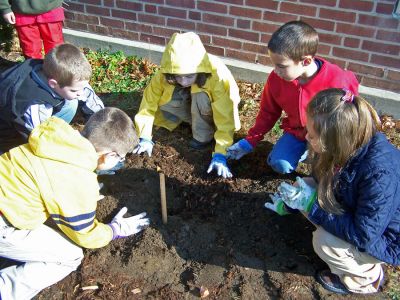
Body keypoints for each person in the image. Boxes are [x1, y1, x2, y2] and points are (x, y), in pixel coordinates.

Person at [0, 107, 150, 300]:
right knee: (70, 256)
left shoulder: (54, 140)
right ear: (109, 156)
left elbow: (48, 178)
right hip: (4, 221)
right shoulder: (77, 179)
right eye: (120, 158)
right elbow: (84, 234)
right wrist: (114, 230)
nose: (120, 161)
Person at [266, 88, 399, 295]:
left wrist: (312, 207)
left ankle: (365, 279)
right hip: (357, 211)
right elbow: (319, 180)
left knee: (325, 242)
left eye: (313, 134)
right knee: (306, 186)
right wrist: (293, 204)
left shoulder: (379, 175)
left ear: (335, 140)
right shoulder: (343, 146)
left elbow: (364, 236)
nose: (307, 136)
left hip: (384, 238)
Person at [226, 20, 359, 174]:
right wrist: (250, 140)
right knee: (279, 164)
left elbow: (350, 119)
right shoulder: (277, 79)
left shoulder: (337, 81)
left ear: (306, 61)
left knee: (324, 173)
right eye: (274, 64)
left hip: (327, 137)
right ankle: (304, 152)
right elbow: (268, 112)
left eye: (281, 66)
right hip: (298, 133)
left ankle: (320, 158)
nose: (275, 70)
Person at [133, 32, 241, 178]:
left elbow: (225, 118)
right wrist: (144, 135)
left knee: (200, 96)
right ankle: (192, 118)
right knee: (166, 96)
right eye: (178, 76)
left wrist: (221, 153)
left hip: (215, 108)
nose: (183, 82)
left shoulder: (215, 76)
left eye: (189, 76)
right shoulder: (165, 74)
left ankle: (203, 135)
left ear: (200, 71)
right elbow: (149, 103)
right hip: (195, 103)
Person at [0, 43, 104, 154]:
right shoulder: (35, 104)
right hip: (11, 137)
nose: (81, 93)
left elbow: (85, 93)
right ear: (53, 84)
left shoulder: (63, 77)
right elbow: (37, 139)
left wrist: (103, 124)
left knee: (71, 101)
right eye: (74, 90)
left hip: (41, 113)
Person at [0, 0, 64, 59]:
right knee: (31, 53)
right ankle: (34, 70)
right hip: (22, 10)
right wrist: (5, 8)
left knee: (55, 51)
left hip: (51, 7)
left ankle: (56, 71)